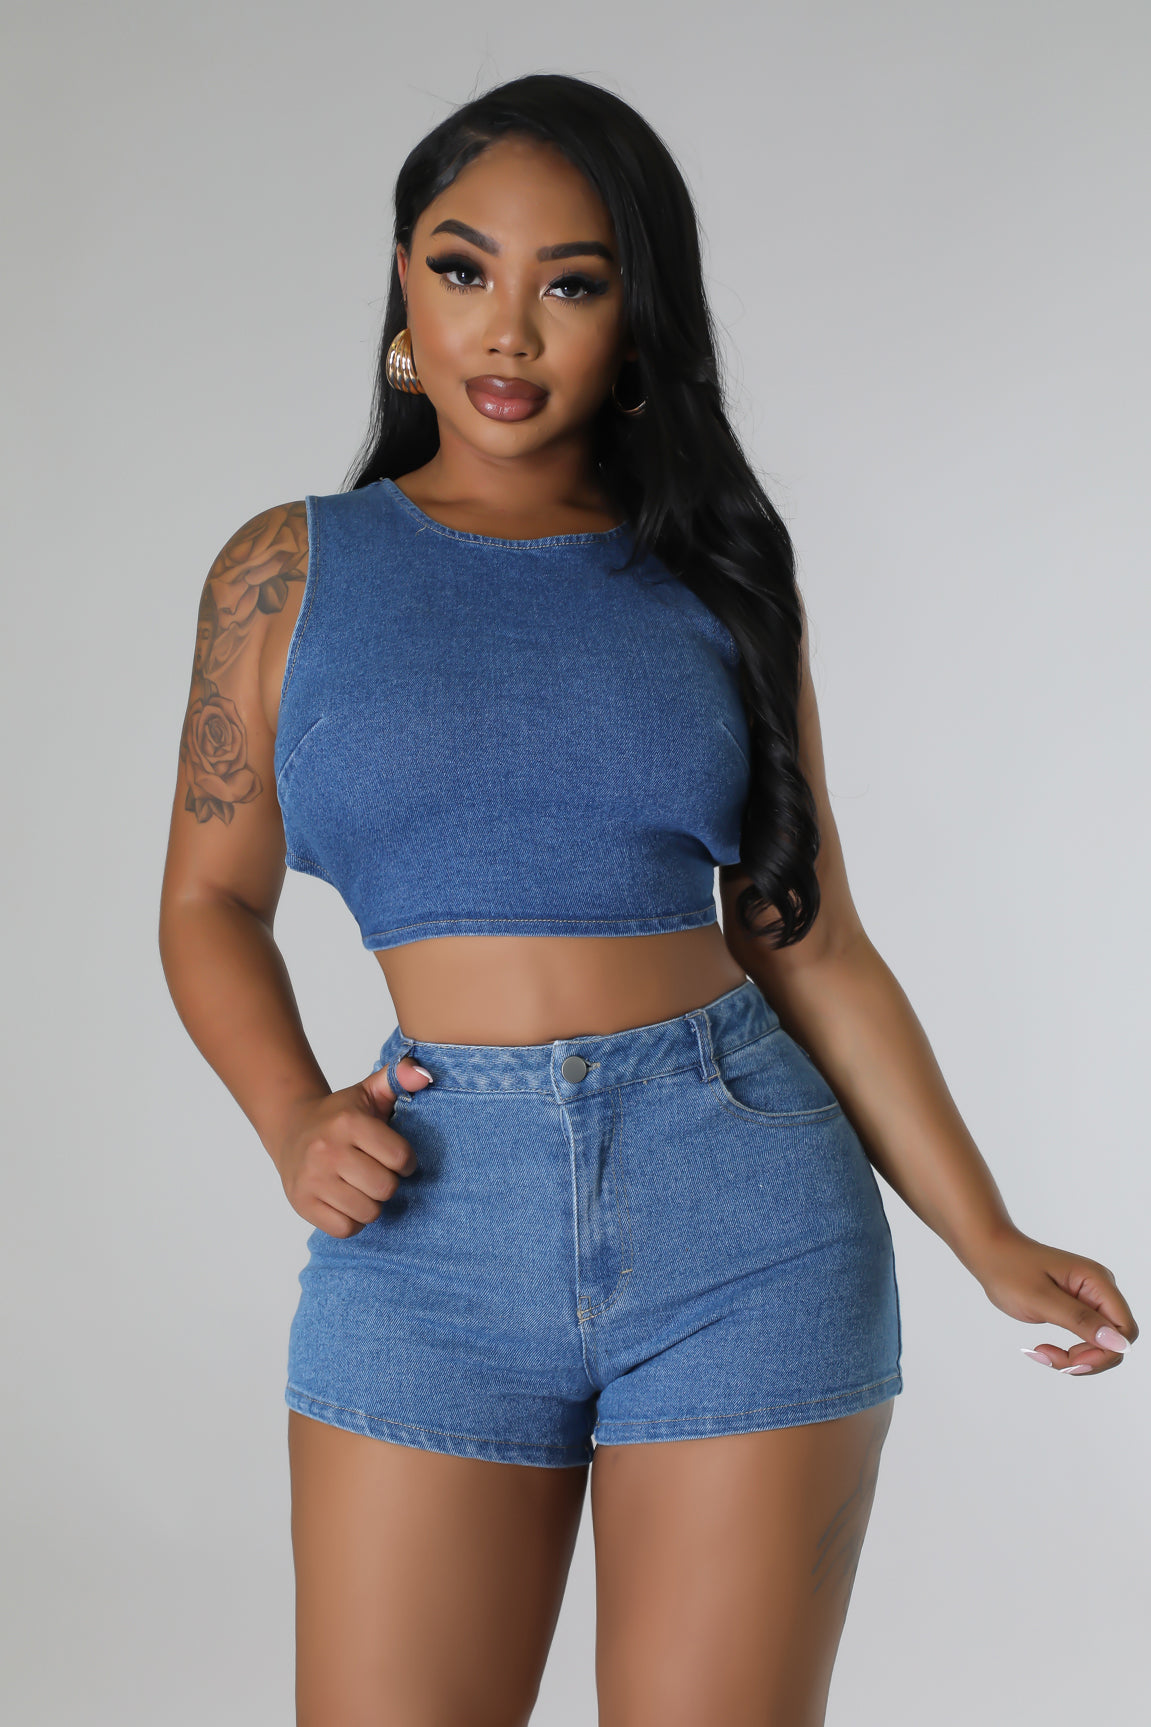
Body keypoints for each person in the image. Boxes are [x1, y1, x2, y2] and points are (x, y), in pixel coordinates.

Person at [158, 72, 1138, 1727]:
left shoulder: (714, 568)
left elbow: (809, 937)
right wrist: (287, 1117)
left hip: (743, 1208)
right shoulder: (287, 571)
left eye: (574, 282)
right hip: (428, 1218)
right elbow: (206, 903)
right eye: (463, 268)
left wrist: (986, 1235)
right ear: (403, 284)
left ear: (636, 315)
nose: (509, 329)